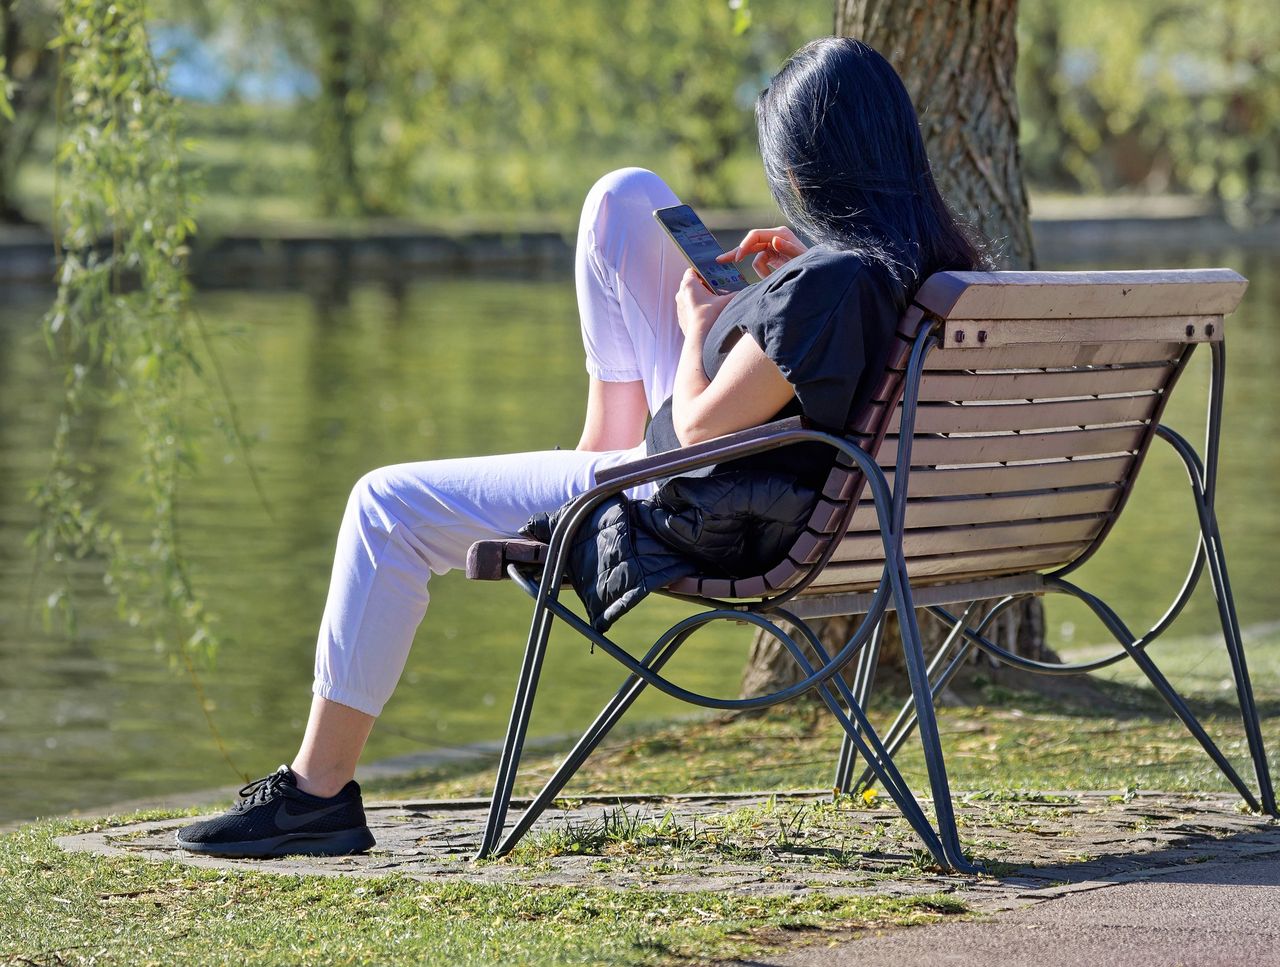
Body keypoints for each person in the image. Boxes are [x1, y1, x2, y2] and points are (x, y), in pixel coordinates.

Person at [176, 37, 985, 858]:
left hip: (696, 501)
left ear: (809, 175)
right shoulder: (924, 267)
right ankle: (593, 454)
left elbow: (701, 428)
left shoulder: (833, 282)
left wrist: (699, 327)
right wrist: (792, 278)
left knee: (384, 506)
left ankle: (316, 794)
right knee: (624, 198)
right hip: (791, 498)